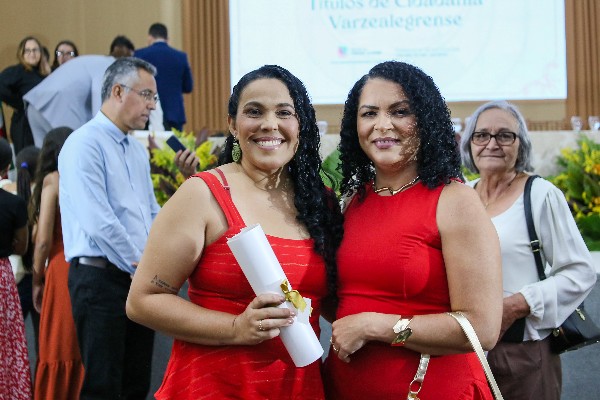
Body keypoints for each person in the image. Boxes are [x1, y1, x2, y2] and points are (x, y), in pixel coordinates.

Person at [126, 64, 344, 400]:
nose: (269, 124)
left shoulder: (319, 202)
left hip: (298, 388)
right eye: (254, 112)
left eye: (284, 112)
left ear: (300, 124)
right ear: (232, 124)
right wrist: (235, 328)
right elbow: (142, 301)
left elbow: (330, 302)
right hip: (212, 388)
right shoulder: (203, 194)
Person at [322, 61, 503, 399]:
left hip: (431, 390)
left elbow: (482, 329)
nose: (382, 125)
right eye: (369, 113)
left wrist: (377, 327)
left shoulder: (454, 200)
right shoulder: (353, 201)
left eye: (399, 111)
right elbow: (345, 302)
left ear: (425, 120)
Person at [459, 100, 597, 399]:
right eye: (481, 135)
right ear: (469, 143)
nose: (492, 144)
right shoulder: (460, 196)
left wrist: (517, 305)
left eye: (504, 135)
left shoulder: (540, 194)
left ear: (520, 144)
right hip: (462, 353)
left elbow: (580, 272)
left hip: (521, 354)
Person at [57, 57, 162, 399]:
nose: (152, 105)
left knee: (136, 383)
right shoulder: (83, 143)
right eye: (146, 95)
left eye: (154, 98)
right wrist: (142, 265)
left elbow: (150, 212)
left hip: (136, 277)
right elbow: (99, 222)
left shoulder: (135, 150)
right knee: (103, 386)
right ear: (118, 91)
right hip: (100, 280)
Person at [30, 127, 85, 399]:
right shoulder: (87, 176)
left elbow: (42, 241)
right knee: (81, 344)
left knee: (58, 345)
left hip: (60, 269)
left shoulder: (53, 180)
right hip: (88, 264)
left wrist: (36, 278)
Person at [24, 35, 146, 148]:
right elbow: (100, 100)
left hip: (35, 104)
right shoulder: (109, 66)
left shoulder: (95, 60)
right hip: (58, 107)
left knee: (43, 158)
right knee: (78, 151)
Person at [0, 137, 32, 400]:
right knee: (6, 339)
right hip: (1, 274)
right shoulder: (14, 204)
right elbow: (21, 247)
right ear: (6, 167)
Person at [134, 22, 193, 131]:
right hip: (174, 114)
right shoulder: (181, 57)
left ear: (150, 37)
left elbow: (134, 84)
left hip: (146, 113)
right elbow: (188, 87)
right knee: (174, 142)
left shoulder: (139, 55)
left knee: (146, 142)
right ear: (167, 39)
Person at [0, 36, 50, 154]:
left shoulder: (45, 72)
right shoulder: (18, 71)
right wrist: (19, 103)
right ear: (21, 53)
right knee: (27, 159)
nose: (32, 53)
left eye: (35, 50)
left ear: (41, 52)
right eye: (27, 50)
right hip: (24, 126)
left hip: (44, 122)